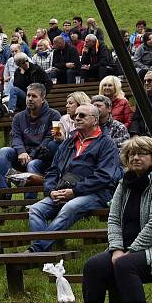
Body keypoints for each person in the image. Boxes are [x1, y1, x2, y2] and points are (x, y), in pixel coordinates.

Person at [82, 137, 152, 303]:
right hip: (124, 250)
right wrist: (116, 249)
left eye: (141, 153)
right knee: (93, 266)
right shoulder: (124, 184)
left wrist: (130, 251)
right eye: (131, 154)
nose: (135, 158)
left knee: (125, 264)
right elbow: (113, 220)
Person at [28, 104, 122, 253]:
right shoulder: (68, 142)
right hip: (63, 190)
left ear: (95, 120)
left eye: (82, 115)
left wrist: (75, 191)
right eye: (75, 116)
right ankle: (44, 252)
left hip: (96, 193)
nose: (77, 118)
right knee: (35, 209)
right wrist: (51, 190)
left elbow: (105, 176)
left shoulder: (106, 144)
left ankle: (37, 251)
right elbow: (53, 171)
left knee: (70, 207)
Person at [0, 83, 60, 191]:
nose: (30, 99)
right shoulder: (18, 117)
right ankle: (4, 192)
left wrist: (31, 155)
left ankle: (29, 202)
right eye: (28, 96)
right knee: (4, 151)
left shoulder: (54, 115)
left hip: (42, 158)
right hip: (22, 156)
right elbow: (15, 136)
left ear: (42, 99)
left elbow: (48, 140)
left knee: (32, 164)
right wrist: (21, 151)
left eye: (34, 96)